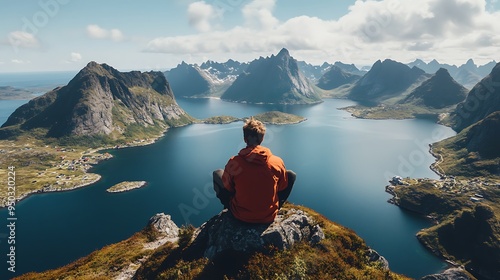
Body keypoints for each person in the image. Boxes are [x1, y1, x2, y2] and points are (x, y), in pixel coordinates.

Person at [213, 117, 296, 224]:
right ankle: (276, 207)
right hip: (268, 216)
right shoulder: (277, 161)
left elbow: (229, 187)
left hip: (240, 215)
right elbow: (282, 186)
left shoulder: (234, 163)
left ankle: (228, 208)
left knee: (217, 173)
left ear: (245, 139)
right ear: (262, 139)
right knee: (291, 175)